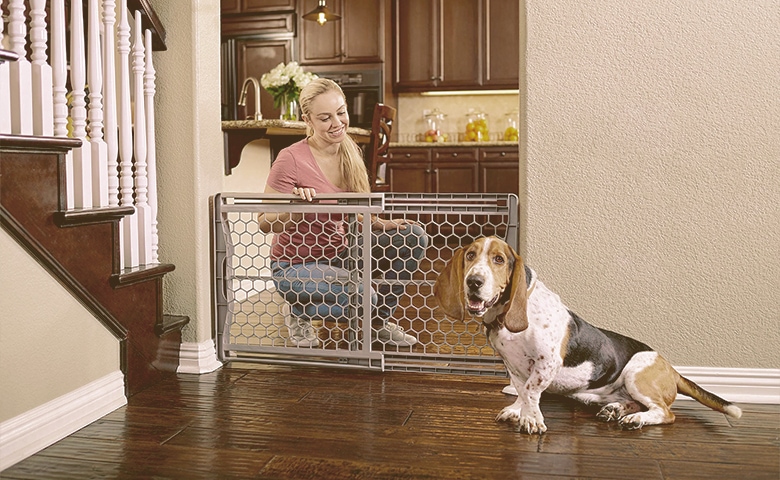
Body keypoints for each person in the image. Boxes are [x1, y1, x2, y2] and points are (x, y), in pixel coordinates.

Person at [257, 78, 429, 348]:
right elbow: (265, 224)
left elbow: (353, 211)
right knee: (364, 296)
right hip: (295, 267)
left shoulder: (351, 151)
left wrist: (382, 224)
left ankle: (378, 323)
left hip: (340, 253)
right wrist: (294, 209)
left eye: (341, 112)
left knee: (414, 237)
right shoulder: (290, 158)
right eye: (325, 118)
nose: (337, 123)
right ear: (308, 120)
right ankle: (298, 309)